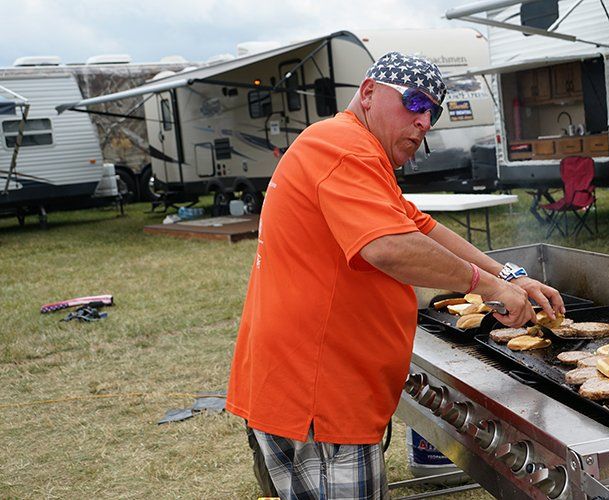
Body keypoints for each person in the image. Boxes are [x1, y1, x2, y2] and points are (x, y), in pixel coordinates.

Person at [226, 52, 564, 499]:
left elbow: (420, 226)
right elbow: (387, 245)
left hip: (323, 387)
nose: (424, 121)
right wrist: (489, 288)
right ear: (368, 93)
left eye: (433, 112)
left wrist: (510, 274)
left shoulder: (359, 154)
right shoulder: (340, 146)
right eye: (414, 102)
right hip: (319, 396)